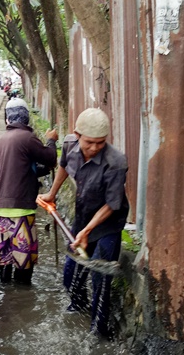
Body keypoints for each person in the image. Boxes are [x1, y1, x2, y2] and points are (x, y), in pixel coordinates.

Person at [37, 108, 129, 338]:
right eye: (90, 142)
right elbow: (63, 166)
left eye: (101, 143)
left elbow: (111, 204)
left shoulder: (116, 162)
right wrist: (52, 193)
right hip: (83, 216)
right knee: (70, 273)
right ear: (78, 135)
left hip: (108, 224)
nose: (95, 147)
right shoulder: (69, 144)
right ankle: (78, 306)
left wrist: (88, 231)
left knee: (101, 278)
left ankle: (98, 330)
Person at [0, 98, 57, 284]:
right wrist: (51, 140)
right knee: (24, 258)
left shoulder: (4, 139)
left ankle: (7, 294)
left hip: (2, 207)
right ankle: (22, 296)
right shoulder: (26, 137)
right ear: (26, 117)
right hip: (20, 207)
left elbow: (23, 168)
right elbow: (51, 159)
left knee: (5, 256)